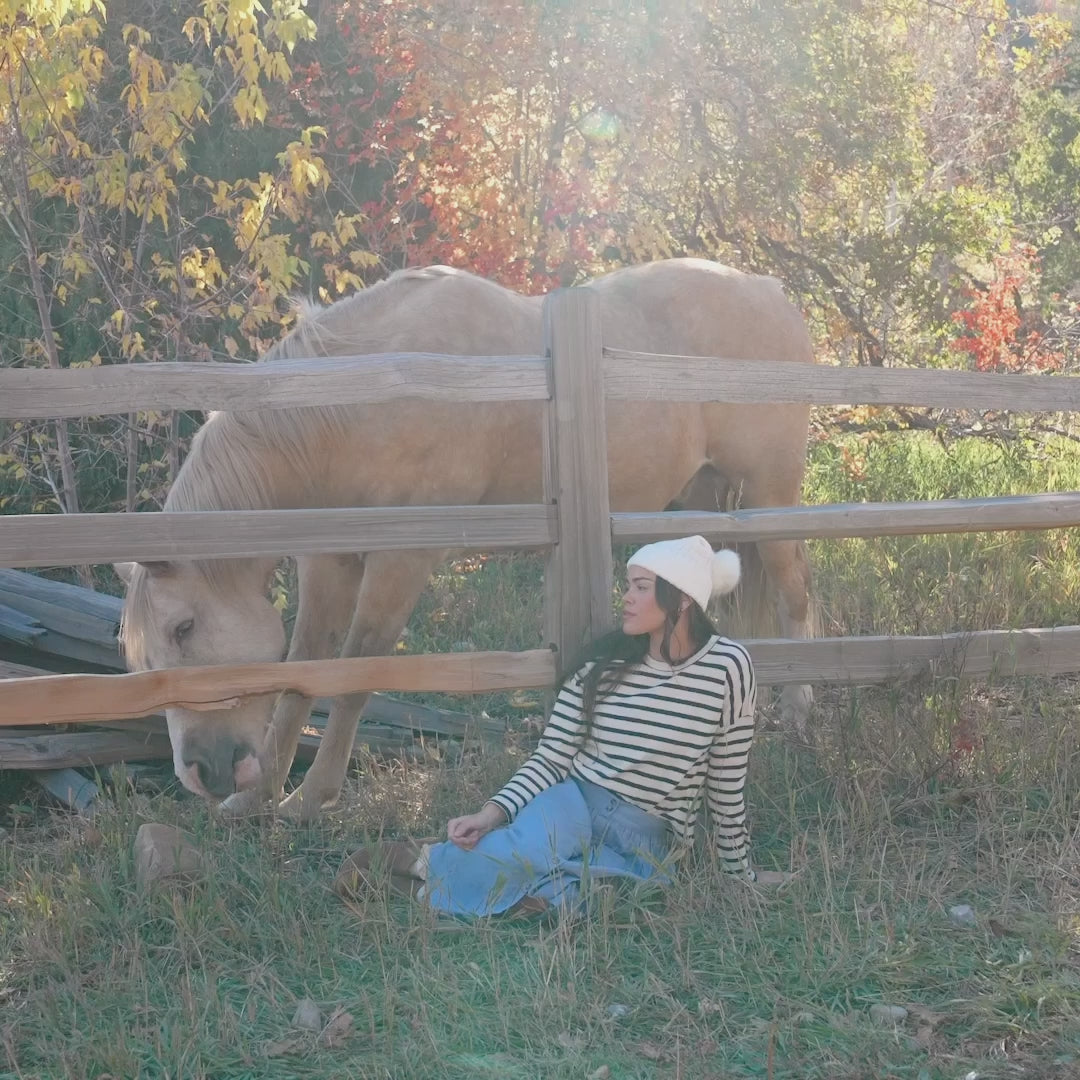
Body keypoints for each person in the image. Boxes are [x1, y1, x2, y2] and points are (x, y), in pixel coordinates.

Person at [334, 535, 759, 916]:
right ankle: (413, 860)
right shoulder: (601, 668)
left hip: (643, 839)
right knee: (525, 853)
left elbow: (726, 785)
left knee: (573, 902)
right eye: (628, 584)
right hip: (574, 803)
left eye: (641, 587)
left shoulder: (728, 668)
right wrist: (489, 813)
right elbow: (551, 759)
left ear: (681, 599)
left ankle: (422, 889)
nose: (626, 597)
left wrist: (739, 877)